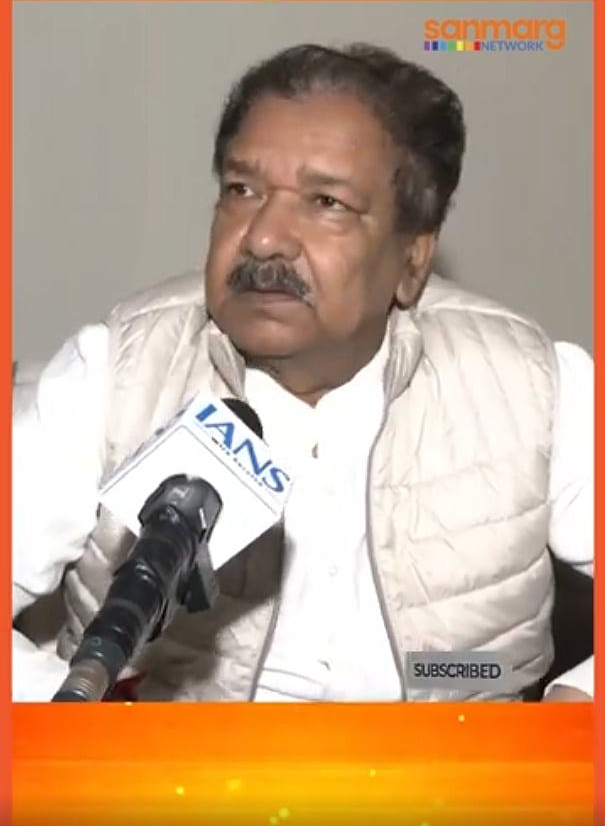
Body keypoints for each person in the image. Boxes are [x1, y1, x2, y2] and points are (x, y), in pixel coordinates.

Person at [12, 42, 593, 703]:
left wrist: (573, 713)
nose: (264, 237)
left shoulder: (528, 384)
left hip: (452, 747)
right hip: (177, 761)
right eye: (242, 190)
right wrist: (83, 727)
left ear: (411, 260)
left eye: (326, 202)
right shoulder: (118, 372)